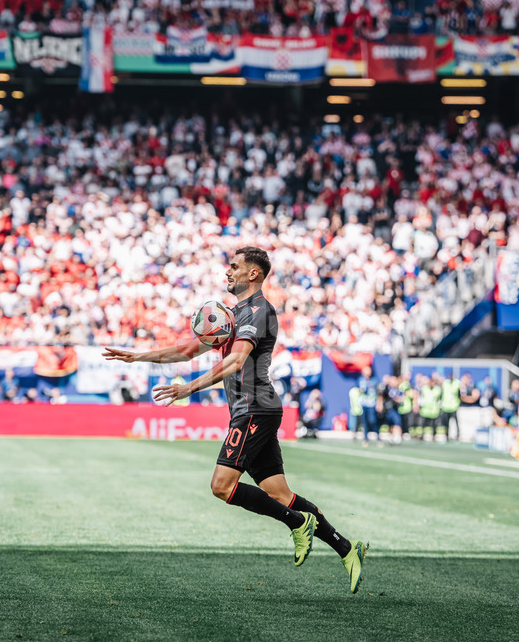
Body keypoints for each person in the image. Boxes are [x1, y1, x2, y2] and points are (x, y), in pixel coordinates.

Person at [103, 246, 367, 593]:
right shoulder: (234, 312)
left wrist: (189, 388)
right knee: (280, 493)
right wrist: (138, 357)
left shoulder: (258, 311)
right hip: (254, 409)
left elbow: (235, 362)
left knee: (221, 486)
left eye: (234, 267)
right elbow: (187, 349)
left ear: (253, 274)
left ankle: (296, 523)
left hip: (254, 409)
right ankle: (347, 549)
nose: (227, 272)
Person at [357, 365, 380, 446]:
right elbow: (360, 390)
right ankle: (365, 439)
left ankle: (378, 437)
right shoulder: (361, 380)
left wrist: (378, 403)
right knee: (364, 422)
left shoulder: (374, 380)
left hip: (372, 403)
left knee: (373, 421)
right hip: (364, 403)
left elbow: (378, 392)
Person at [440, 373, 463, 441]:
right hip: (446, 406)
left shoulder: (457, 383)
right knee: (446, 422)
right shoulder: (445, 383)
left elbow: (459, 394)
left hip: (454, 406)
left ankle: (458, 435)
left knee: (456, 422)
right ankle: (446, 435)